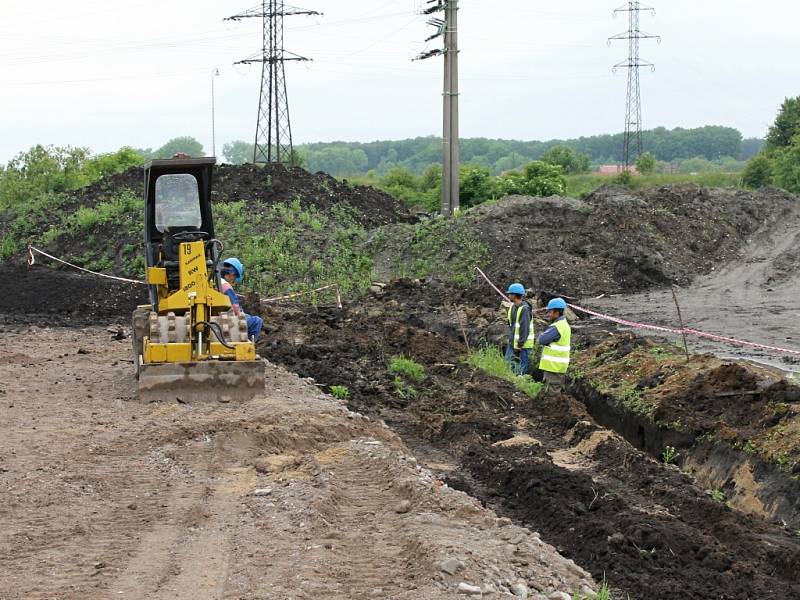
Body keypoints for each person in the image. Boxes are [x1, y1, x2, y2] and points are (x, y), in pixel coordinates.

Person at [219, 257, 263, 341]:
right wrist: (242, 314)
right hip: (228, 318)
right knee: (257, 321)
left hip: (218, 314)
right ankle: (248, 343)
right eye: (234, 276)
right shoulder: (226, 286)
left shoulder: (214, 281)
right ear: (231, 273)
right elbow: (235, 308)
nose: (233, 279)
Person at [537, 297, 572, 391]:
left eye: (550, 311)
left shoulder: (557, 327)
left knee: (552, 393)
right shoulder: (563, 324)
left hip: (554, 367)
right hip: (556, 367)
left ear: (556, 312)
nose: (548, 314)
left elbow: (541, 340)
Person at [504, 283, 534, 375]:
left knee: (521, 369)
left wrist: (520, 344)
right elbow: (512, 325)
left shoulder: (524, 309)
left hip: (523, 345)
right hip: (513, 342)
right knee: (508, 365)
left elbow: (524, 329)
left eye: (510, 294)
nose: (508, 296)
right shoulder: (513, 307)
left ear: (514, 295)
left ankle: (520, 385)